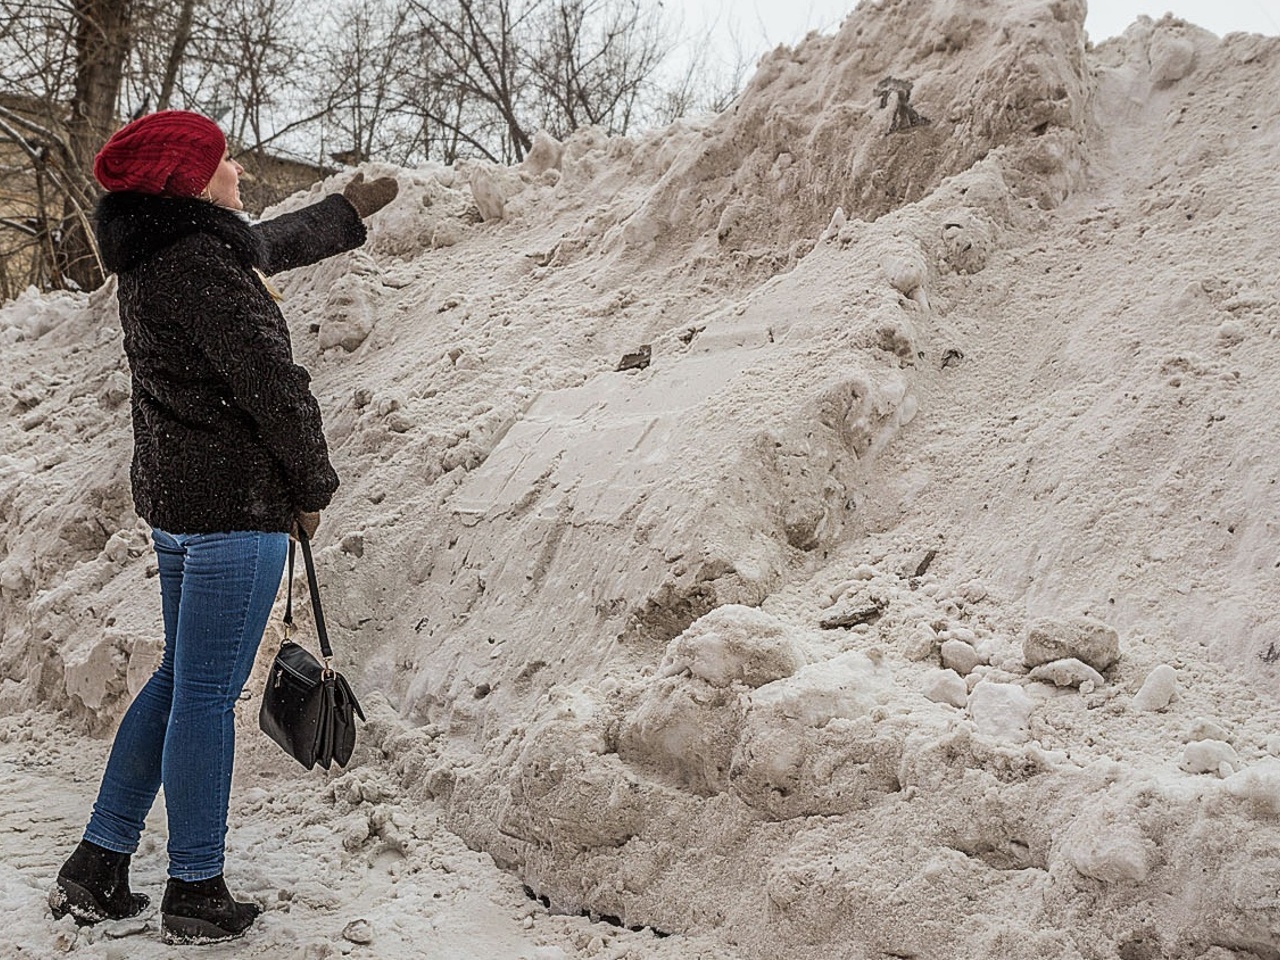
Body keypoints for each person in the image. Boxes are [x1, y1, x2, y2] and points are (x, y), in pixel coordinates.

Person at [48, 110, 398, 944]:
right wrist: (312, 485)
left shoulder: (160, 250)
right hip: (232, 509)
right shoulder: (201, 263)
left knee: (179, 683)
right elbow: (274, 384)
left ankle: (98, 864)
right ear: (193, 182)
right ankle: (195, 886)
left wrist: (344, 215)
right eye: (223, 159)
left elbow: (261, 244)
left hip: (181, 505)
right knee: (205, 696)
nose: (237, 166)